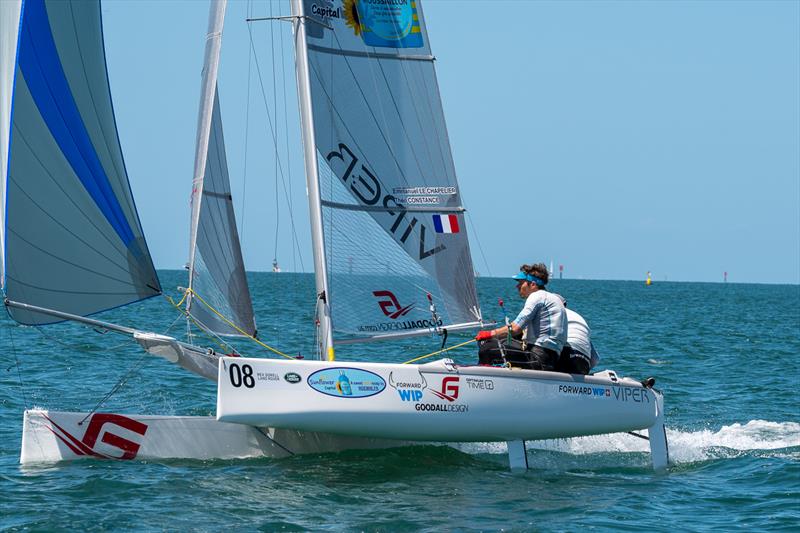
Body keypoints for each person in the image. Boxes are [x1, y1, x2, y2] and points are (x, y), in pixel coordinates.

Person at [475, 263, 567, 371]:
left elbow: (515, 329)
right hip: (552, 358)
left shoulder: (537, 296)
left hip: (538, 358)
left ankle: (482, 379)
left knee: (487, 347)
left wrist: (489, 334)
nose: (517, 286)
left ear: (532, 284)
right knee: (504, 341)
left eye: (521, 283)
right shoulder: (553, 298)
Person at [553, 294, 599, 375]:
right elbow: (595, 359)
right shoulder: (578, 317)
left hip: (565, 357)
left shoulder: (551, 313)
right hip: (583, 364)